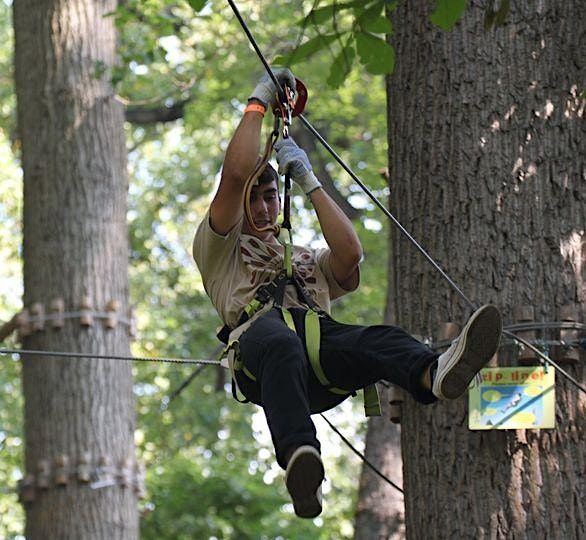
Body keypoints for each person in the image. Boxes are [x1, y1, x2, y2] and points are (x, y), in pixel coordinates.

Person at [191, 68, 502, 519]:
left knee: (378, 338)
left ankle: (431, 374)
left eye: (270, 197)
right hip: (264, 359)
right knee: (277, 338)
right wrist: (258, 103)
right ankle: (301, 461)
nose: (263, 205)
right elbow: (237, 173)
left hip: (321, 359)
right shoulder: (220, 248)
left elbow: (350, 255)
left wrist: (309, 180)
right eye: (254, 199)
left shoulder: (304, 258)